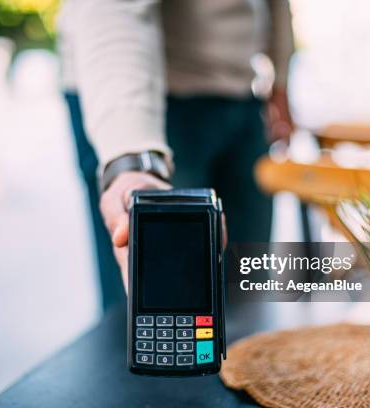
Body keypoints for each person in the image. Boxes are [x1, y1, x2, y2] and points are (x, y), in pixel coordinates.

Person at [58, 0, 295, 311]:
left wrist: (280, 79)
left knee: (244, 297)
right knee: (157, 306)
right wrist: (134, 159)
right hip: (142, 96)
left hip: (242, 91)